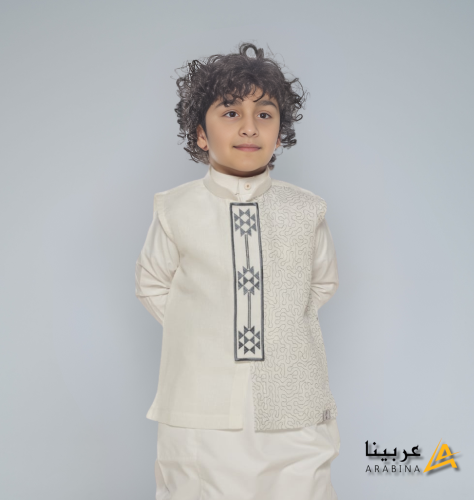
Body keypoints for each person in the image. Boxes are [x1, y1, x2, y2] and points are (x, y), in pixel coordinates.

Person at [135, 42, 341, 500]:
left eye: (264, 114)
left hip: (293, 402)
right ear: (201, 134)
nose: (249, 127)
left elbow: (322, 282)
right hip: (199, 404)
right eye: (230, 112)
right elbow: (151, 284)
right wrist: (204, 328)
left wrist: (277, 323)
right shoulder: (176, 209)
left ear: (279, 132)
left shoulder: (306, 209)